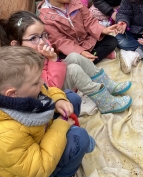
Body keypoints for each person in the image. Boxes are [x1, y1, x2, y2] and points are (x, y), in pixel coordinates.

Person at [0, 46, 95, 177]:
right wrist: (61, 125)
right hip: (33, 173)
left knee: (71, 98)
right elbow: (40, 169)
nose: (42, 82)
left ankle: (70, 141)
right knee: (80, 137)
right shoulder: (6, 133)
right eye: (36, 82)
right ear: (12, 94)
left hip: (43, 136)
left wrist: (59, 99)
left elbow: (47, 90)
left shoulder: (26, 93)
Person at [0, 11, 132, 114]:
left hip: (57, 80)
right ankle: (105, 103)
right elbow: (51, 87)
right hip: (54, 97)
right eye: (33, 38)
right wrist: (52, 60)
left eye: (43, 35)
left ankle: (107, 85)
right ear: (16, 45)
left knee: (74, 56)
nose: (42, 41)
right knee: (73, 70)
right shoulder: (23, 67)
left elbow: (57, 69)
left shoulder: (35, 50)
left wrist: (53, 59)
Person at [35, 0, 119, 64]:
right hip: (70, 49)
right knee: (68, 61)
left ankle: (88, 61)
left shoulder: (75, 1)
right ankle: (90, 59)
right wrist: (80, 52)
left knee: (112, 41)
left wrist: (102, 30)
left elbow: (89, 19)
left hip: (87, 40)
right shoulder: (45, 18)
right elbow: (60, 41)